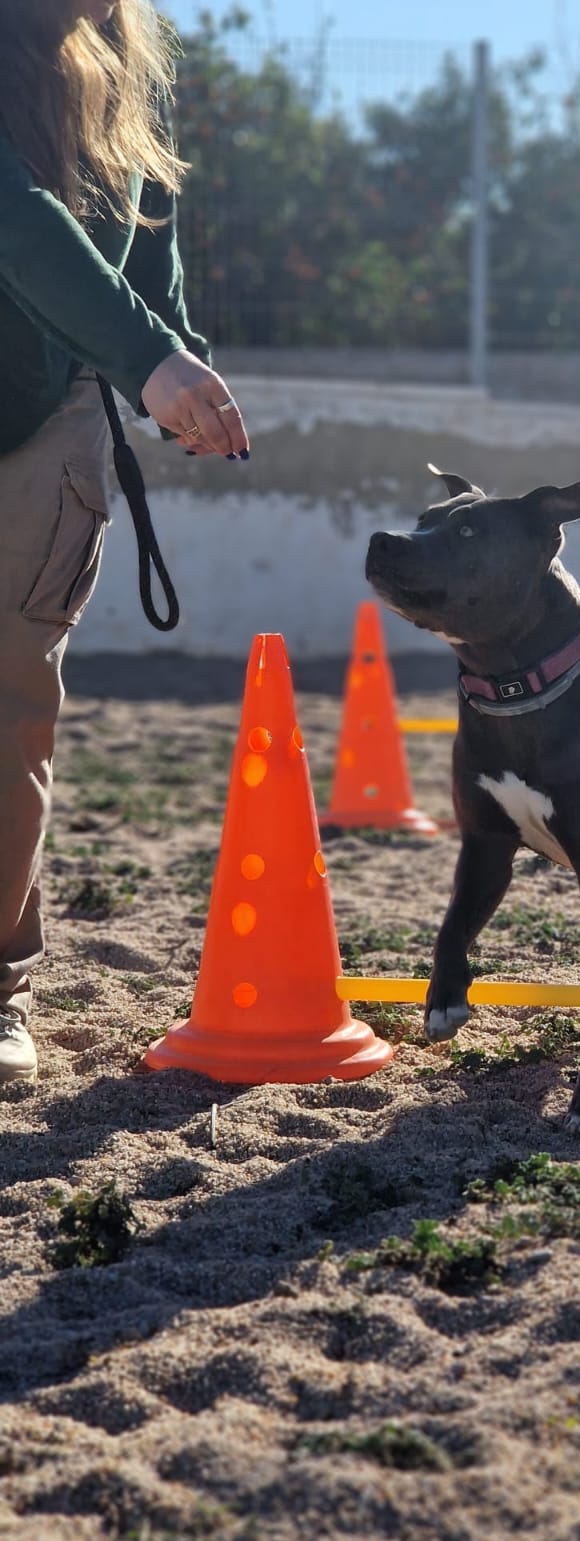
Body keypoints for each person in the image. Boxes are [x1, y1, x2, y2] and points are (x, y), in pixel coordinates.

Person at [0, 0, 249, 1084]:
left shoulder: (125, 56)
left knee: (9, 708)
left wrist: (175, 364)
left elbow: (147, 240)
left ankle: (0, 985)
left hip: (47, 416)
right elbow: (12, 217)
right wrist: (151, 359)